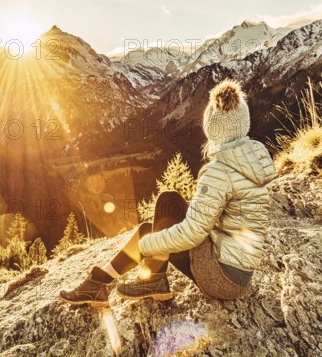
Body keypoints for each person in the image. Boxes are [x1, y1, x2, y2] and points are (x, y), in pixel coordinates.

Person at [60, 79, 275, 306]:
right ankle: (99, 283)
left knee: (165, 205)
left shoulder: (220, 171)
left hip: (221, 278)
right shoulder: (252, 163)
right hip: (238, 274)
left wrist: (143, 248)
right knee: (151, 226)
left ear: (211, 127)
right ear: (243, 123)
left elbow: (192, 234)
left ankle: (145, 280)